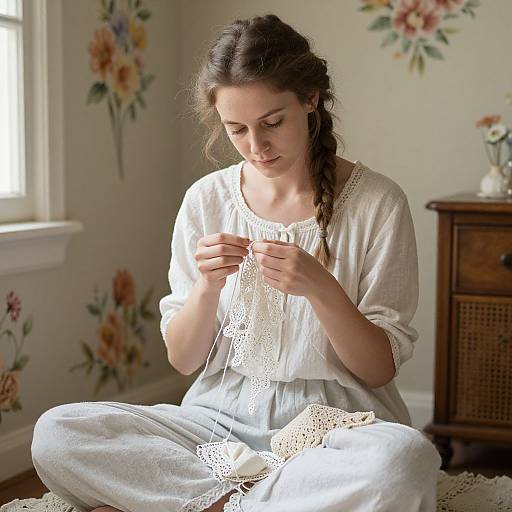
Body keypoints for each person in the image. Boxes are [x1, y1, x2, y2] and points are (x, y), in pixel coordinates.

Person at [31, 13, 441, 512]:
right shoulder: (206, 200)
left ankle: (203, 503)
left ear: (310, 99)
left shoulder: (378, 203)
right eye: (237, 129)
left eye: (272, 123)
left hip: (337, 429)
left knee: (404, 463)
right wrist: (205, 288)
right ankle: (242, 501)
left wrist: (322, 288)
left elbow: (377, 371)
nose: (256, 147)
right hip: (216, 425)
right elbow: (183, 360)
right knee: (57, 434)